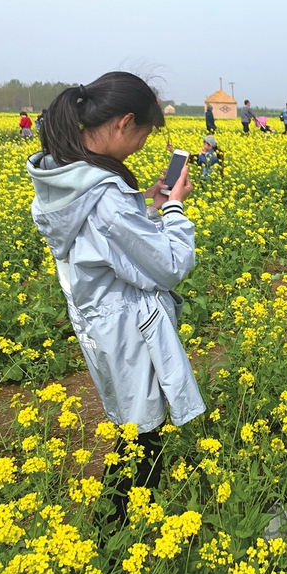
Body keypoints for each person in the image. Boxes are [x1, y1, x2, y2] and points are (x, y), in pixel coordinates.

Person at [26, 71, 205, 524]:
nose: (143, 145)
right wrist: (174, 209)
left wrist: (142, 208)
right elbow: (168, 265)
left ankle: (114, 527)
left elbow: (105, 240)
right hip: (126, 327)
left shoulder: (64, 175)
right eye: (144, 134)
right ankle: (112, 536)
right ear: (125, 122)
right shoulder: (105, 196)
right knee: (144, 439)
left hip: (99, 321)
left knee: (135, 428)